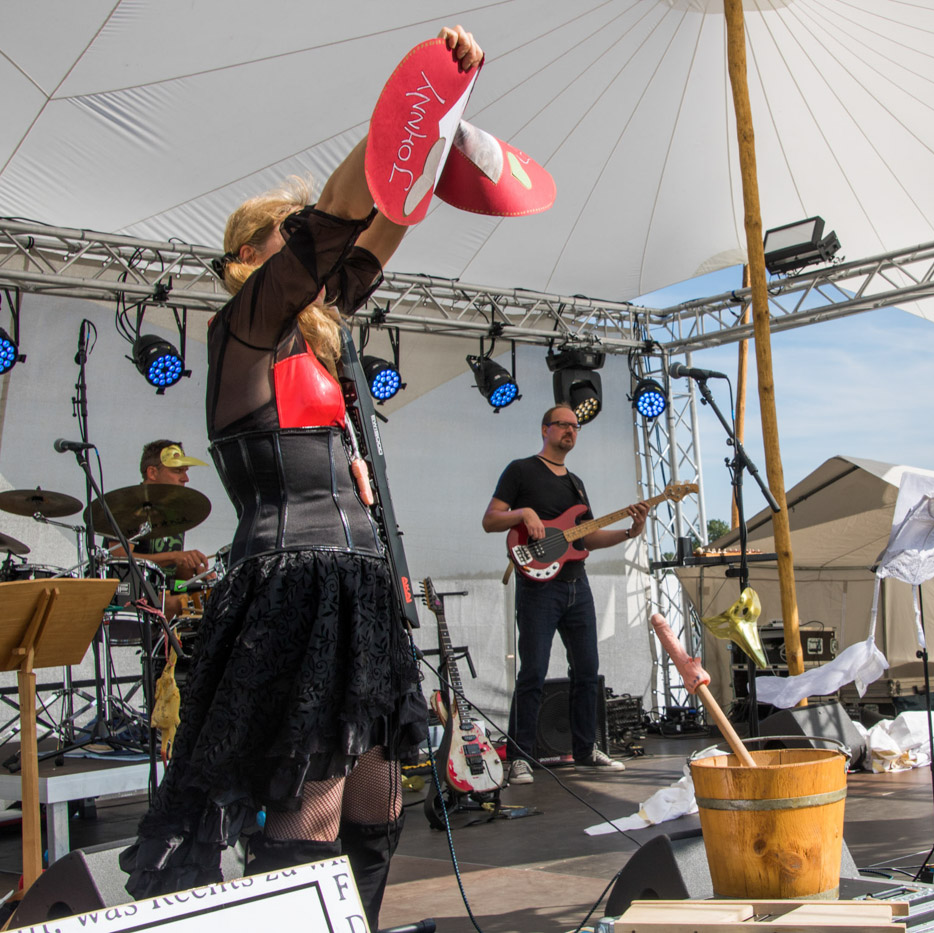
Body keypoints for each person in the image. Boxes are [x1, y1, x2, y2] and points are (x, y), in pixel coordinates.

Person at [121, 26, 484, 928]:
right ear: (251, 256)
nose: (310, 250)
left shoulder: (320, 338)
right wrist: (406, 108)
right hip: (294, 588)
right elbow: (334, 225)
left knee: (379, 805)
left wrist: (441, 116)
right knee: (309, 813)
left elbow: (384, 221)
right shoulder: (240, 334)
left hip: (358, 585)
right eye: (287, 237)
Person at [482, 405, 649, 784]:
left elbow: (586, 537)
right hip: (538, 588)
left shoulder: (576, 484)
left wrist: (630, 532)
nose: (571, 431)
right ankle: (520, 757)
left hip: (577, 585)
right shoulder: (521, 470)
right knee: (533, 672)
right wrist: (523, 513)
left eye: (576, 426)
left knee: (587, 671)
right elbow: (490, 520)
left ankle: (586, 749)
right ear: (545, 429)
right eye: (563, 425)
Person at [132, 440, 211, 619]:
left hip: (166, 592)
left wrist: (193, 570)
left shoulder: (175, 512)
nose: (185, 478)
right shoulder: (128, 507)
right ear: (152, 472)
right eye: (177, 471)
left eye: (185, 471)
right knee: (183, 604)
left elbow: (176, 580)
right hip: (135, 596)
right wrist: (174, 556)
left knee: (211, 600)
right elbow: (118, 557)